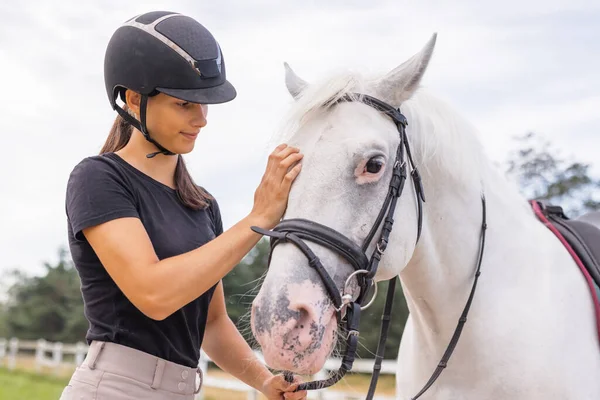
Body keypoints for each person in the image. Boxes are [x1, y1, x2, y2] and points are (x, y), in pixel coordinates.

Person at [60, 10, 306, 400]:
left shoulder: (202, 205)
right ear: (134, 99)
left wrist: (264, 381)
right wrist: (258, 218)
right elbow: (153, 294)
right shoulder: (98, 179)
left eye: (204, 104)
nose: (202, 119)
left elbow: (211, 323)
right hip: (114, 388)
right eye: (183, 104)